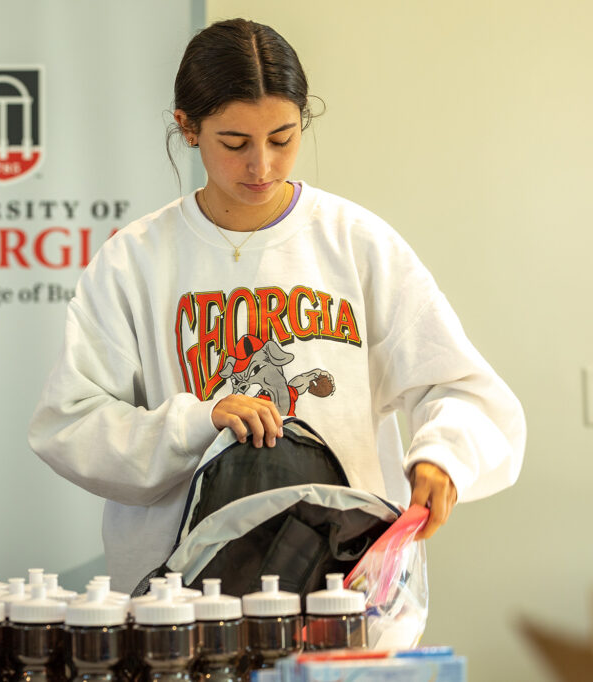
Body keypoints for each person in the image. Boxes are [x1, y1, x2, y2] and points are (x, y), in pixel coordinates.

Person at [27, 18, 525, 593]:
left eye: (283, 139)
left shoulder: (358, 244)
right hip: (181, 600)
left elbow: (463, 389)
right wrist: (198, 421)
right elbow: (68, 424)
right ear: (187, 128)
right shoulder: (134, 261)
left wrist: (443, 457)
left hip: (346, 587)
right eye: (234, 143)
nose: (260, 166)